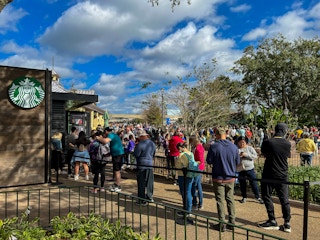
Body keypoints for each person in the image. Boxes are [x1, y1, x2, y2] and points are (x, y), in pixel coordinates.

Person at [259, 123, 291, 233]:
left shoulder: (269, 142)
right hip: (282, 174)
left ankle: (272, 220)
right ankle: (287, 223)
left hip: (269, 173)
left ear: (275, 130)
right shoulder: (287, 143)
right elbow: (287, 155)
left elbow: (263, 153)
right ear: (284, 131)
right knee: (284, 199)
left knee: (267, 196)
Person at [206, 127, 240, 232]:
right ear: (226, 134)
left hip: (218, 177)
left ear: (216, 135)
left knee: (220, 200)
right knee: (230, 199)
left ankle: (222, 224)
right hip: (231, 177)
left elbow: (209, 161)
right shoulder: (234, 147)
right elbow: (238, 162)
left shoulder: (214, 146)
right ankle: (232, 222)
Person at [236, 136, 264, 204]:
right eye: (240, 142)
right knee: (242, 184)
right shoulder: (237, 149)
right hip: (241, 169)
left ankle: (257, 197)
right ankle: (244, 197)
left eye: (243, 142)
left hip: (250, 169)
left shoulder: (250, 148)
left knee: (254, 183)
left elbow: (255, 156)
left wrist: (246, 155)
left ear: (246, 142)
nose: (241, 144)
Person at [96, 127, 124, 192]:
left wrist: (98, 138)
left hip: (117, 154)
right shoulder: (115, 135)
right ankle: (117, 183)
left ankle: (118, 185)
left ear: (106, 131)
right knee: (116, 170)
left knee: (117, 170)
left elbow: (105, 141)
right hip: (118, 154)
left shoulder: (111, 135)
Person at [133, 130, 156, 206]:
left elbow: (136, 154)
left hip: (142, 164)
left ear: (142, 136)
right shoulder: (152, 143)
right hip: (150, 164)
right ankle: (149, 196)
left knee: (141, 182)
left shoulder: (140, 144)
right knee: (149, 182)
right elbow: (153, 153)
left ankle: (141, 200)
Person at [175, 142, 196, 218]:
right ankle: (188, 209)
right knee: (188, 191)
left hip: (182, 175)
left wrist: (176, 160)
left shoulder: (181, 155)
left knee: (185, 192)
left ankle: (186, 209)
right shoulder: (191, 154)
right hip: (190, 175)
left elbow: (178, 166)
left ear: (180, 147)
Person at [189, 136, 205, 210]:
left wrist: (193, 163)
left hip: (198, 168)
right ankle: (198, 203)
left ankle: (196, 203)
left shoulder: (199, 148)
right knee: (198, 186)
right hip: (197, 168)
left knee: (194, 185)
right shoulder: (196, 147)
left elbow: (200, 160)